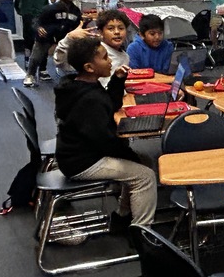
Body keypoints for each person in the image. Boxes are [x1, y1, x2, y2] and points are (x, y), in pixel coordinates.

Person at [54, 36, 157, 232]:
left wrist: (117, 80)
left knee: (142, 163)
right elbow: (105, 141)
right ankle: (143, 234)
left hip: (76, 154)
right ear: (90, 67)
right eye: (104, 58)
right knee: (145, 175)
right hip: (82, 162)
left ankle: (123, 216)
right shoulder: (89, 98)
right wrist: (129, 155)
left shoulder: (81, 85)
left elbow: (110, 105)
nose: (110, 61)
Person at [24, 0, 81, 87]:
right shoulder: (50, 9)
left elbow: (78, 24)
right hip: (47, 35)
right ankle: (30, 75)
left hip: (65, 36)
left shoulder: (75, 10)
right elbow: (36, 20)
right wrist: (38, 28)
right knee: (37, 56)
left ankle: (76, 75)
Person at [54, 9, 131, 87]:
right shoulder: (93, 51)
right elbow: (61, 63)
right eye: (110, 28)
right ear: (100, 32)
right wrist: (69, 38)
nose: (117, 32)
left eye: (121, 28)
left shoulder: (125, 57)